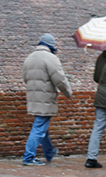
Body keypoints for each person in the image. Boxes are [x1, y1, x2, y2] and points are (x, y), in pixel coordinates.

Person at [21, 33, 72, 166]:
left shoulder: (29, 58)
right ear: (51, 46)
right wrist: (68, 92)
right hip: (45, 98)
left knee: (42, 127)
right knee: (39, 127)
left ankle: (49, 152)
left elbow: (25, 78)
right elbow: (59, 78)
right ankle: (28, 157)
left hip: (33, 98)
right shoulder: (50, 58)